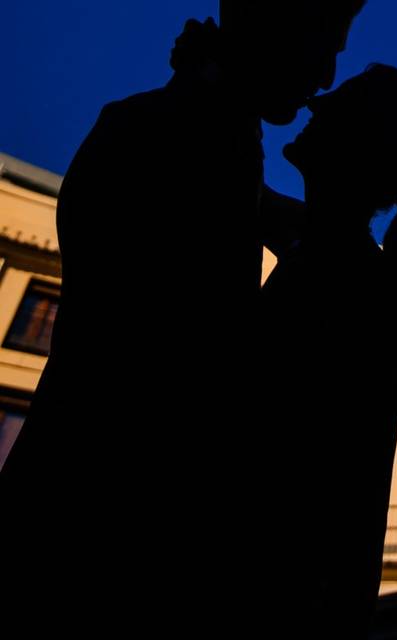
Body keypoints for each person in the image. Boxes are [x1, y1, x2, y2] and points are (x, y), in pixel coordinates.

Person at [2, 2, 365, 631]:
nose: (329, 76)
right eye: (327, 45)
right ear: (274, 30)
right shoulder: (187, 144)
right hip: (118, 534)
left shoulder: (172, 133)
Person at [259, 63, 397, 636]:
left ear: (363, 143)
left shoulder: (336, 274)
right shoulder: (341, 257)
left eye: (340, 102)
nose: (317, 103)